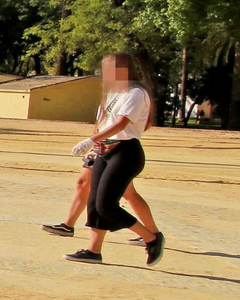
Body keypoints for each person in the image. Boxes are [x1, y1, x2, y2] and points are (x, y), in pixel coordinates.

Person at [64, 52, 164, 267]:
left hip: (125, 152)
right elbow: (104, 122)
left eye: (113, 69)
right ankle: (93, 251)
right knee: (94, 203)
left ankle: (151, 238)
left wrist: (90, 140)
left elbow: (121, 124)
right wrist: (95, 146)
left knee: (107, 205)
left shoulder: (136, 93)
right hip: (105, 150)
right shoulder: (113, 93)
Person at [41, 101, 158, 240]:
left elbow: (130, 123)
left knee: (126, 194)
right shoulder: (110, 95)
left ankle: (152, 235)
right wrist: (95, 146)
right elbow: (101, 124)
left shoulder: (132, 94)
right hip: (103, 148)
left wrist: (96, 142)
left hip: (116, 150)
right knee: (84, 183)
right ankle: (68, 225)